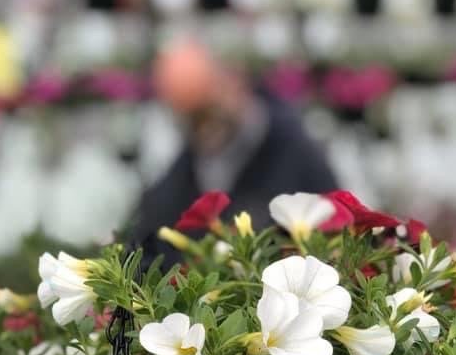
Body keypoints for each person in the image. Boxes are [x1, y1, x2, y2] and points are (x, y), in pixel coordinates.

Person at [124, 40, 338, 259]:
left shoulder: (294, 150)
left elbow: (337, 224)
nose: (204, 126)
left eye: (209, 108)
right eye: (191, 118)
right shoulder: (180, 177)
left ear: (234, 79)